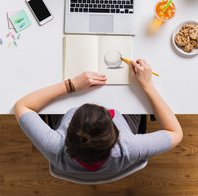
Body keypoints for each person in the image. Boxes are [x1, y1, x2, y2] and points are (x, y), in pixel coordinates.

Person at [14, 59, 183, 177]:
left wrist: (71, 84)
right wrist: (147, 85)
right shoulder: (129, 148)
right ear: (116, 135)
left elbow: (22, 106)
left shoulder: (54, 146)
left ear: (68, 131)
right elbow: (175, 132)